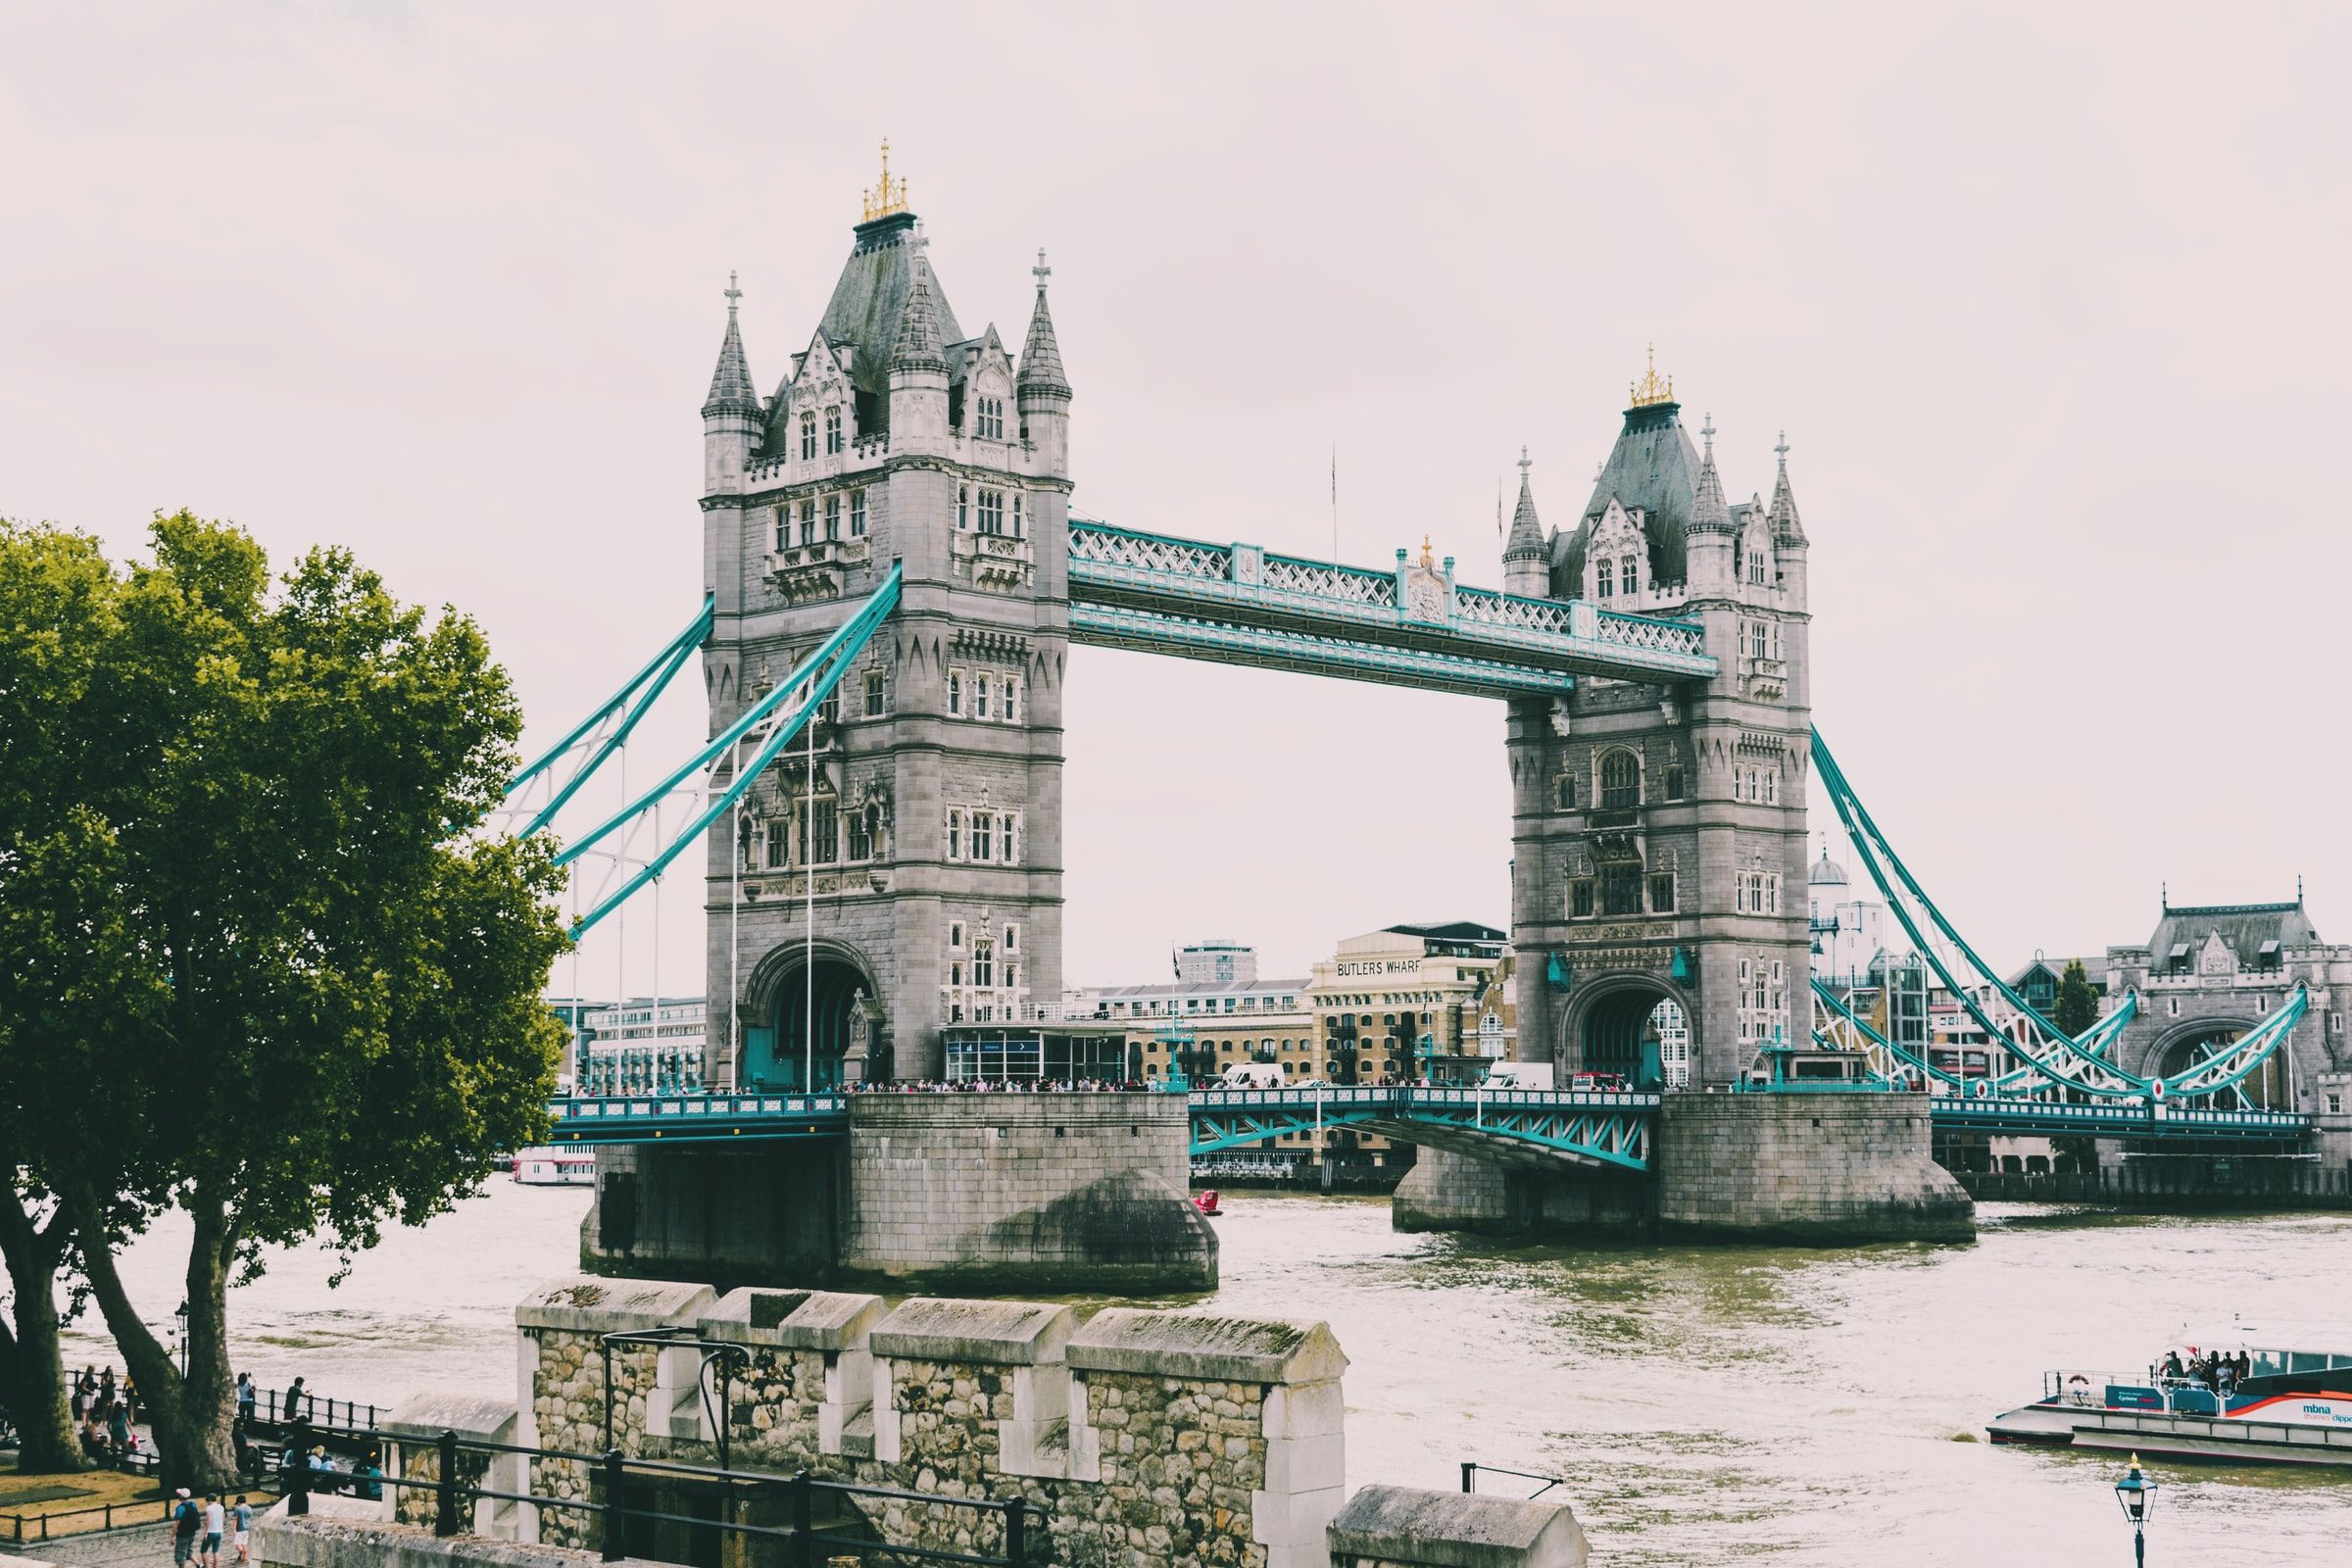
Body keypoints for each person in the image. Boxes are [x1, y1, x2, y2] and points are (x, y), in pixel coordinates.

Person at [171, 1489, 201, 1568]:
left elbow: (177, 1523)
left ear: (181, 1496)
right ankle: (198, 1565)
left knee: (181, 1553)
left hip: (182, 1534)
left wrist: (172, 1537)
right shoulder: (193, 1504)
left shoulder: (180, 1508)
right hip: (192, 1533)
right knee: (188, 1550)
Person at [202, 1494, 225, 1568]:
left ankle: (206, 1566)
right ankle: (217, 1566)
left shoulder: (208, 1508)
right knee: (216, 1550)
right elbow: (223, 1518)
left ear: (209, 1500)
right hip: (219, 1531)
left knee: (203, 1550)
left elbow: (208, 1520)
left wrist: (206, 1532)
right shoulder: (221, 1507)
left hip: (211, 1532)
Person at [230, 1497, 252, 1565]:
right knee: (244, 1543)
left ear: (239, 1502)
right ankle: (243, 1559)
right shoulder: (249, 1508)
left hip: (240, 1529)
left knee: (237, 1544)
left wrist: (233, 1530)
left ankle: (243, 1552)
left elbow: (235, 1520)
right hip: (247, 1528)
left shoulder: (237, 1508)